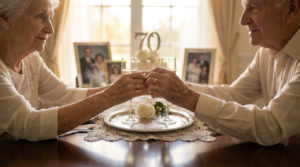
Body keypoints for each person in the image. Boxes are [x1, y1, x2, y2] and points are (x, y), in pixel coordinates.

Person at [145, 0, 300, 146]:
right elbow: (234, 94)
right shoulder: (265, 53)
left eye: (253, 7)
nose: (243, 20)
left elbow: (271, 125)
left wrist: (187, 96)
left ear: (292, 8)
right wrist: (177, 88)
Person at [0, 0, 147, 141]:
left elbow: (65, 95)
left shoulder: (31, 59)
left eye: (50, 17)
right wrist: (110, 96)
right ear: (5, 18)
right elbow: (30, 125)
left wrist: (122, 88)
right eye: (40, 16)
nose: (50, 29)